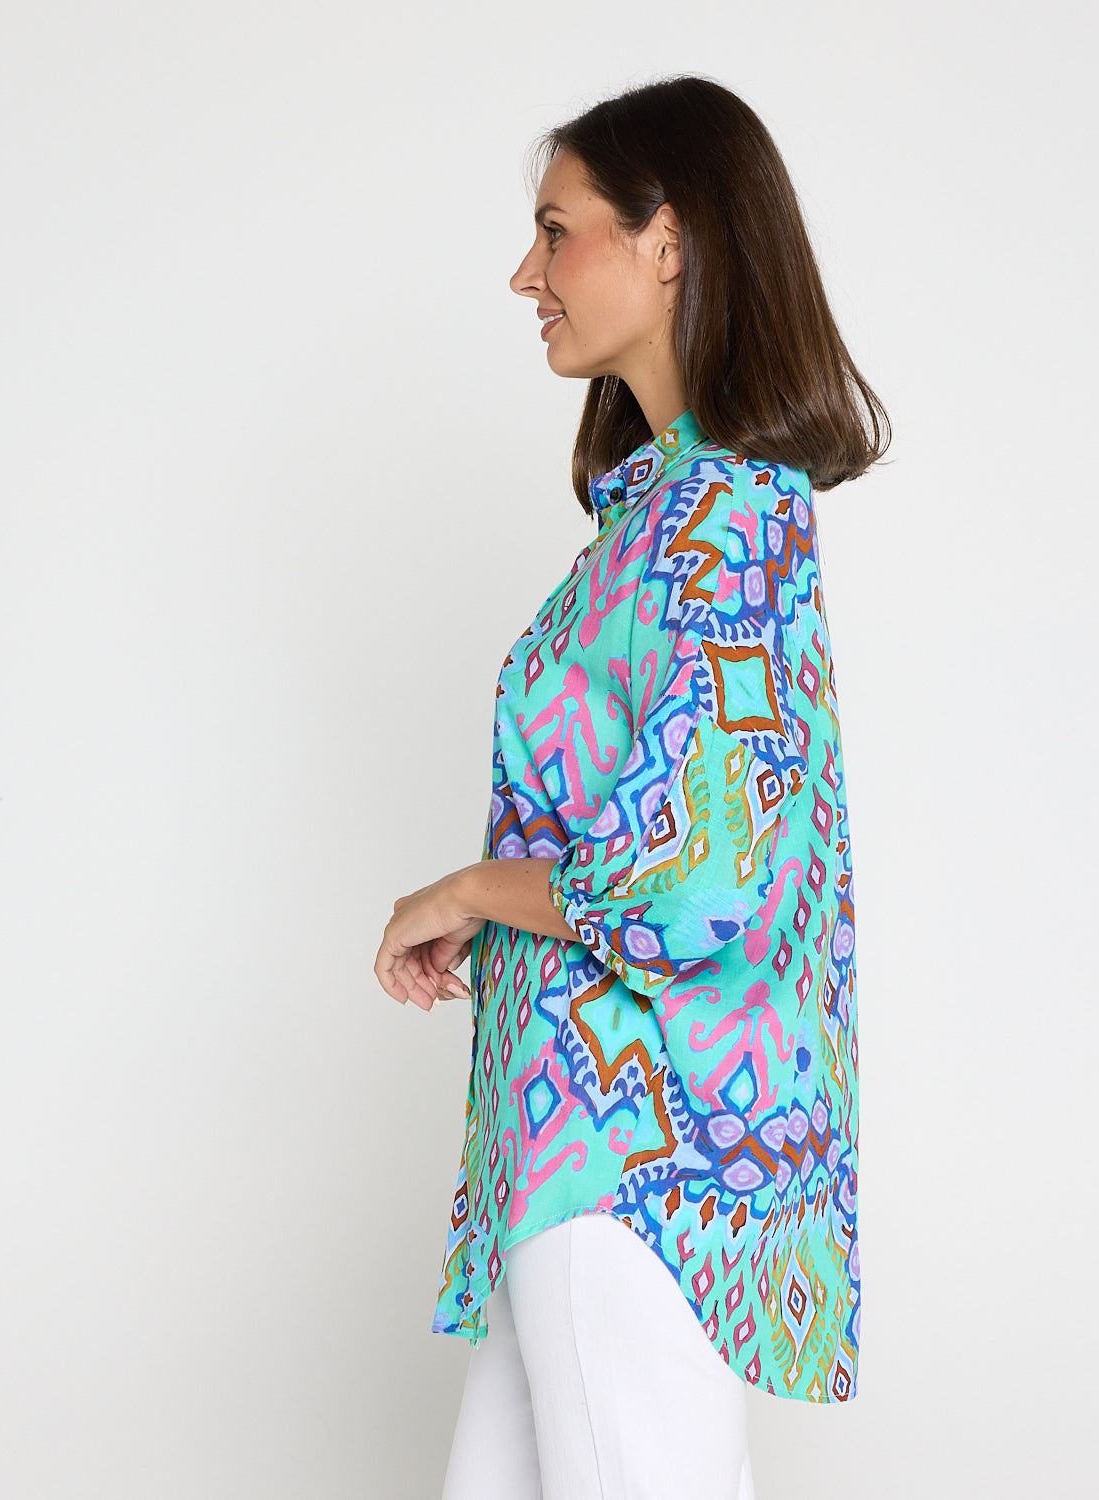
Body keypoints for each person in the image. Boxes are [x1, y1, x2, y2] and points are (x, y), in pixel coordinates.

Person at [373, 73, 889, 1500]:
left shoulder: (729, 515)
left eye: (558, 230)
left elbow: (695, 875)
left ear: (669, 241)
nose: (525, 274)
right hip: (567, 1145)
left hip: (639, 1160)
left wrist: (471, 889)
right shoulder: (656, 511)